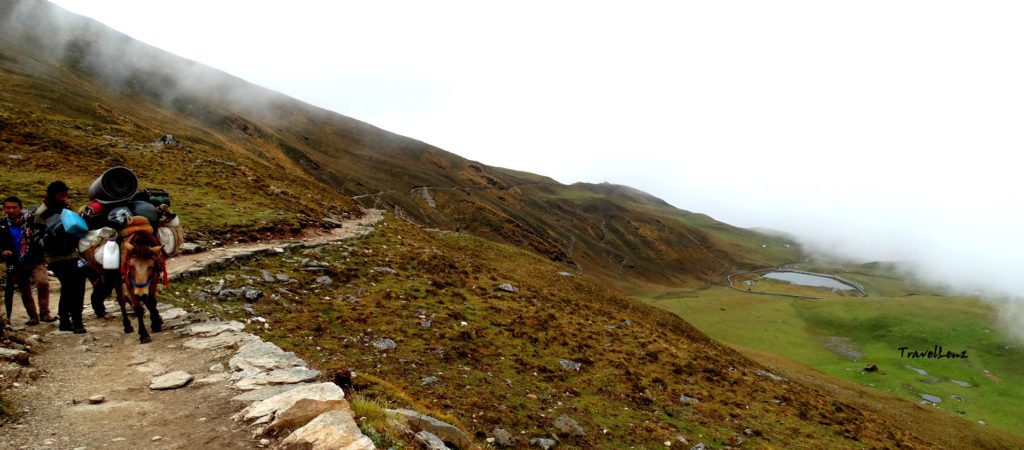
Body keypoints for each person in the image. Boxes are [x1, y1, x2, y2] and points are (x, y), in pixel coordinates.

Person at [31, 182, 87, 333]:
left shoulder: (65, 209)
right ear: (52, 194)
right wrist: (52, 240)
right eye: (60, 195)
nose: (63, 198)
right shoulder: (41, 213)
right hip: (56, 257)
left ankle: (73, 320)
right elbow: (36, 238)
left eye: (65, 195)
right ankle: (71, 321)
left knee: (79, 286)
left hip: (73, 254)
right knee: (69, 287)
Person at [1, 196, 52, 324]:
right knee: (25, 290)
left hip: (35, 258)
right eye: (8, 207)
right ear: (4, 208)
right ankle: (33, 316)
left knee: (43, 283)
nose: (11, 210)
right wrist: (3, 251)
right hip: (16, 262)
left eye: (14, 207)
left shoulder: (32, 220)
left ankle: (45, 313)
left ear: (20, 208)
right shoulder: (2, 225)